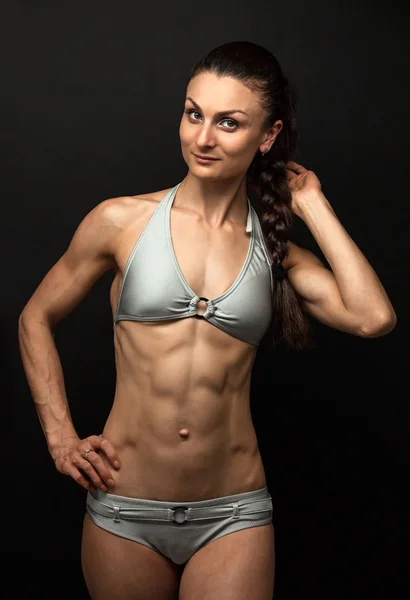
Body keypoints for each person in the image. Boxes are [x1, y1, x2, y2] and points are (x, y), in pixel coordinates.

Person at [18, 40, 397, 600]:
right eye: (194, 113)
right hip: (125, 507)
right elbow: (35, 317)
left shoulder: (274, 249)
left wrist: (311, 201)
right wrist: (60, 440)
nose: (202, 138)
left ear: (267, 136)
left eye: (229, 122)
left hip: (233, 513)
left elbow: (373, 317)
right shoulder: (122, 222)